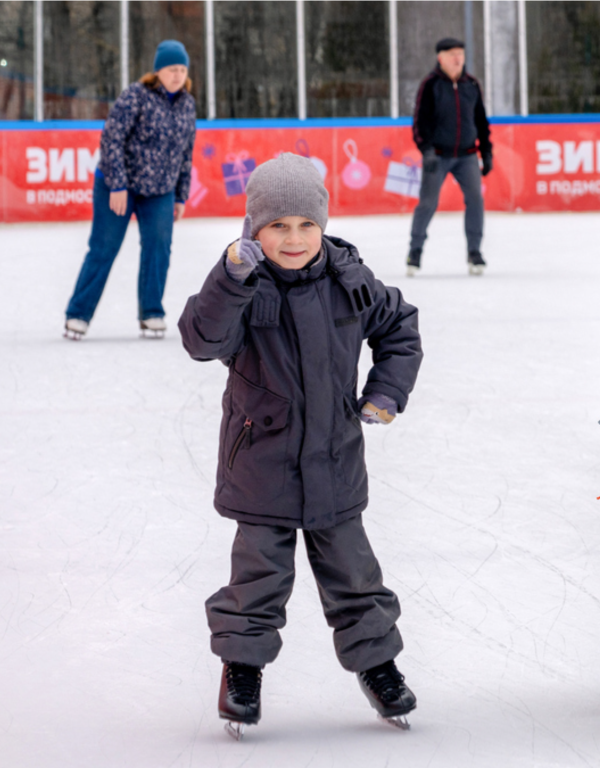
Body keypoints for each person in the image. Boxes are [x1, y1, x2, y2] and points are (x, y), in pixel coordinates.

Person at [178, 153, 423, 734]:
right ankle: (241, 670)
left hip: (335, 461)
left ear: (323, 225)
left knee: (355, 576)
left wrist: (385, 391)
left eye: (306, 225)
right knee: (257, 578)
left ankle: (379, 667)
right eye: (277, 226)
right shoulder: (243, 286)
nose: (294, 238)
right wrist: (230, 277)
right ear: (254, 231)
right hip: (261, 464)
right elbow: (200, 339)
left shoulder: (350, 282)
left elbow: (400, 329)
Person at [64, 40, 196, 340]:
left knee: (159, 247)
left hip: (160, 190)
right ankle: (78, 314)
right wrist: (118, 184)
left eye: (182, 69)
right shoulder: (136, 95)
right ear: (158, 71)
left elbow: (186, 154)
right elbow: (111, 139)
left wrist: (179, 195)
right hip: (118, 185)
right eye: (171, 68)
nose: (177, 74)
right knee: (104, 247)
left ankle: (151, 313)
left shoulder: (188, 104)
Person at [407, 37, 492, 277]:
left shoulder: (471, 84)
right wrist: (427, 151)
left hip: (467, 155)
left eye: (461, 54)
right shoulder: (430, 84)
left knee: (475, 199)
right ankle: (415, 251)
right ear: (440, 58)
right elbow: (419, 123)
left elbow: (481, 122)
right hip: (438, 155)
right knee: (428, 203)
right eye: (452, 54)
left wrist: (486, 152)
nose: (458, 59)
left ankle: (474, 252)